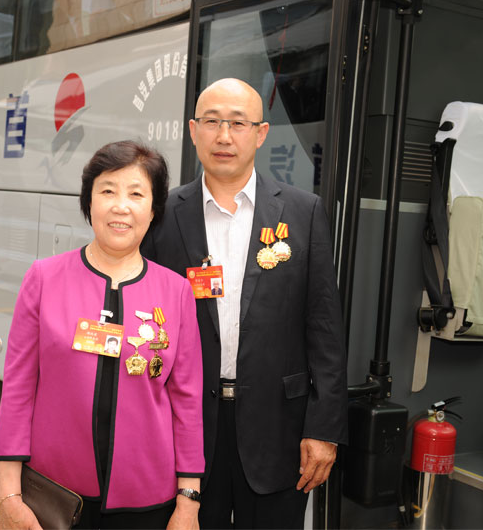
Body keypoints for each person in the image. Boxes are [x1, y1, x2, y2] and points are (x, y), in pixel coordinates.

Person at [142, 78, 348, 529]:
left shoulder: (303, 212)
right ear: (193, 130)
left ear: (261, 133)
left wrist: (323, 428)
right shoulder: (162, 216)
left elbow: (325, 328)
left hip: (280, 426)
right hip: (188, 427)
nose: (223, 136)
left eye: (238, 123)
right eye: (212, 122)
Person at [0, 140, 204, 530]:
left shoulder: (176, 292)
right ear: (89, 201)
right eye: (107, 191)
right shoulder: (44, 279)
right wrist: (8, 495)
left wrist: (188, 502)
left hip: (147, 501)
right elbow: (18, 389)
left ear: (154, 209)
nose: (121, 206)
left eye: (136, 194)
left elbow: (187, 402)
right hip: (55, 495)